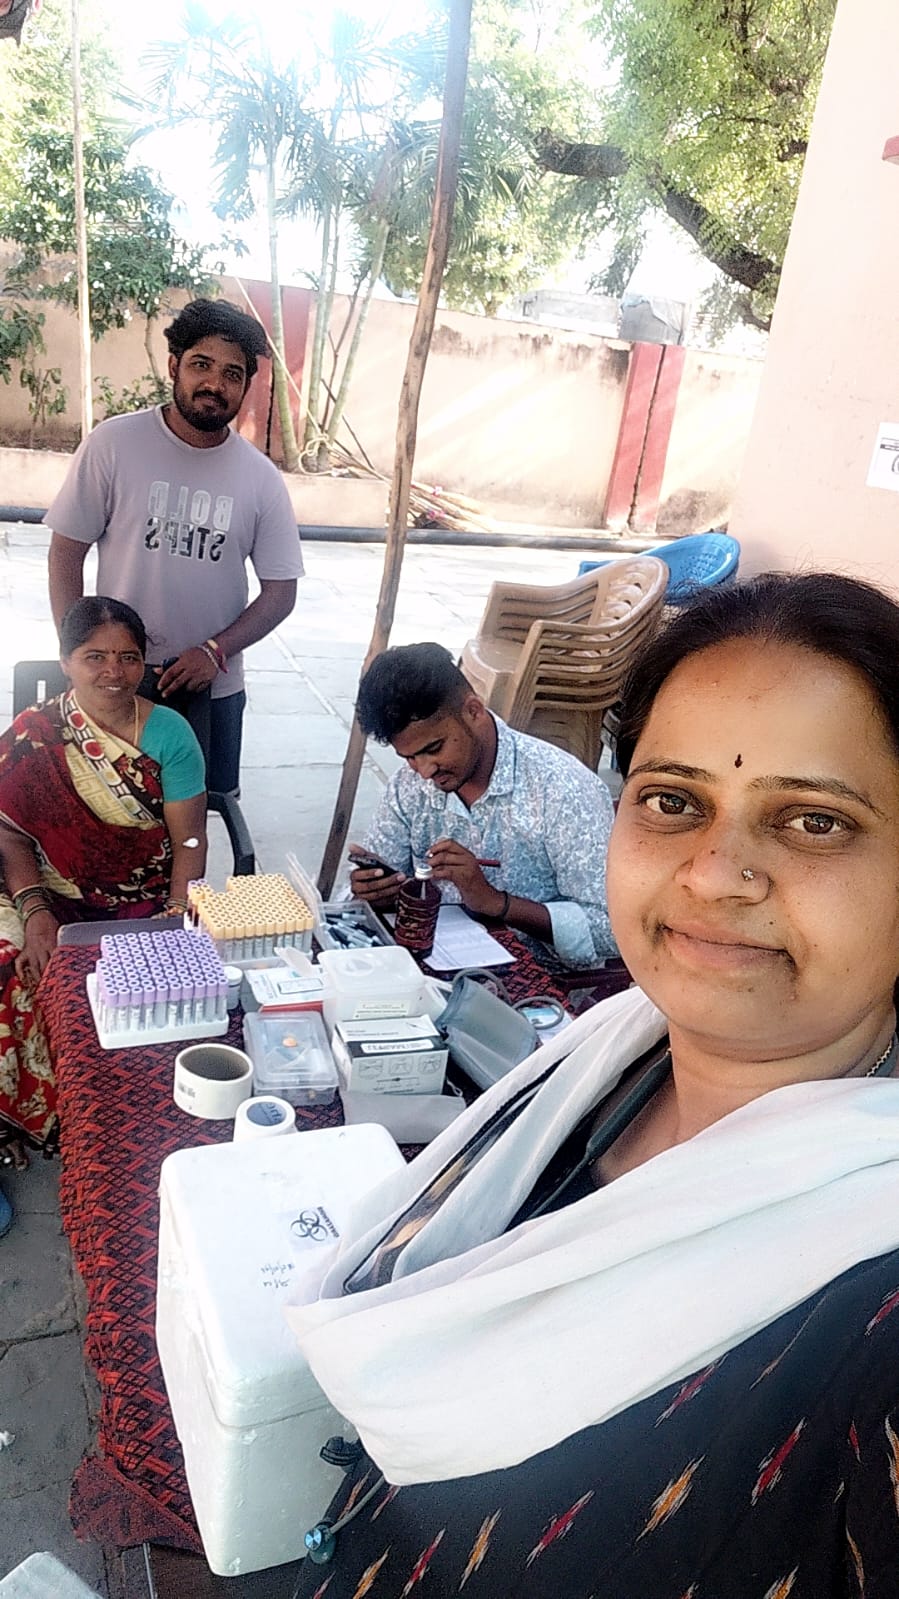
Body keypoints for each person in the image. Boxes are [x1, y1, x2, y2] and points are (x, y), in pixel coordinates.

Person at [289, 572, 899, 1598]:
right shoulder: (601, 1062)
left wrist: (494, 902)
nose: (714, 872)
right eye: (671, 801)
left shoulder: (875, 1323)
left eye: (812, 821)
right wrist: (381, 880)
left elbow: (589, 933)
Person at [45, 297, 304, 795]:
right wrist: (78, 652)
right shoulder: (114, 444)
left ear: (245, 386)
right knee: (101, 812)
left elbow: (280, 593)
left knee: (198, 817)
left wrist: (215, 652)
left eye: (232, 374)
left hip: (211, 687)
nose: (215, 384)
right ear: (173, 366)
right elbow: (66, 553)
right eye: (201, 365)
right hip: (114, 680)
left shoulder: (261, 479)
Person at [0, 596, 206, 1176]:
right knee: (9, 967)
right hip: (44, 893)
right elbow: (9, 833)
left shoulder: (170, 734)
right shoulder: (34, 734)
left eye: (128, 657)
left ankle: (110, 1131)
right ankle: (21, 1118)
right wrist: (36, 912)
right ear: (66, 660)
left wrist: (174, 916)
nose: (114, 671)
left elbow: (190, 841)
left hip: (141, 902)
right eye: (95, 656)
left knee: (144, 994)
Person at [349, 643, 617, 968]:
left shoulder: (563, 789)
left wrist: (496, 902)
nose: (425, 770)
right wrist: (376, 891)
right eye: (409, 757)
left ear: (473, 711)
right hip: (432, 966)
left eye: (434, 749)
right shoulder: (409, 786)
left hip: (544, 981)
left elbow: (613, 929)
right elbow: (382, 887)